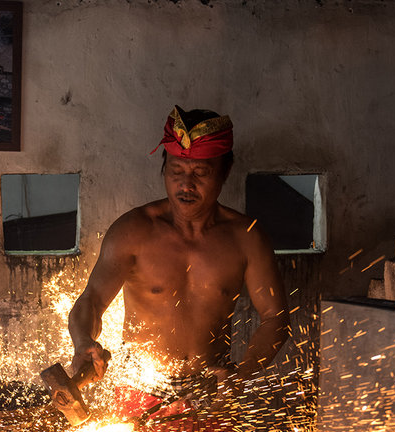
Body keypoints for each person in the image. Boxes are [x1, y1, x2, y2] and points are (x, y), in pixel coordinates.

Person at [68, 105, 290, 408]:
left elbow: (275, 317)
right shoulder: (134, 230)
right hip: (139, 391)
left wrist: (242, 374)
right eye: (176, 171)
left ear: (224, 173)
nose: (186, 184)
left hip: (212, 394)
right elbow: (91, 300)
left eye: (200, 173)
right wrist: (83, 343)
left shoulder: (246, 237)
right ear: (164, 168)